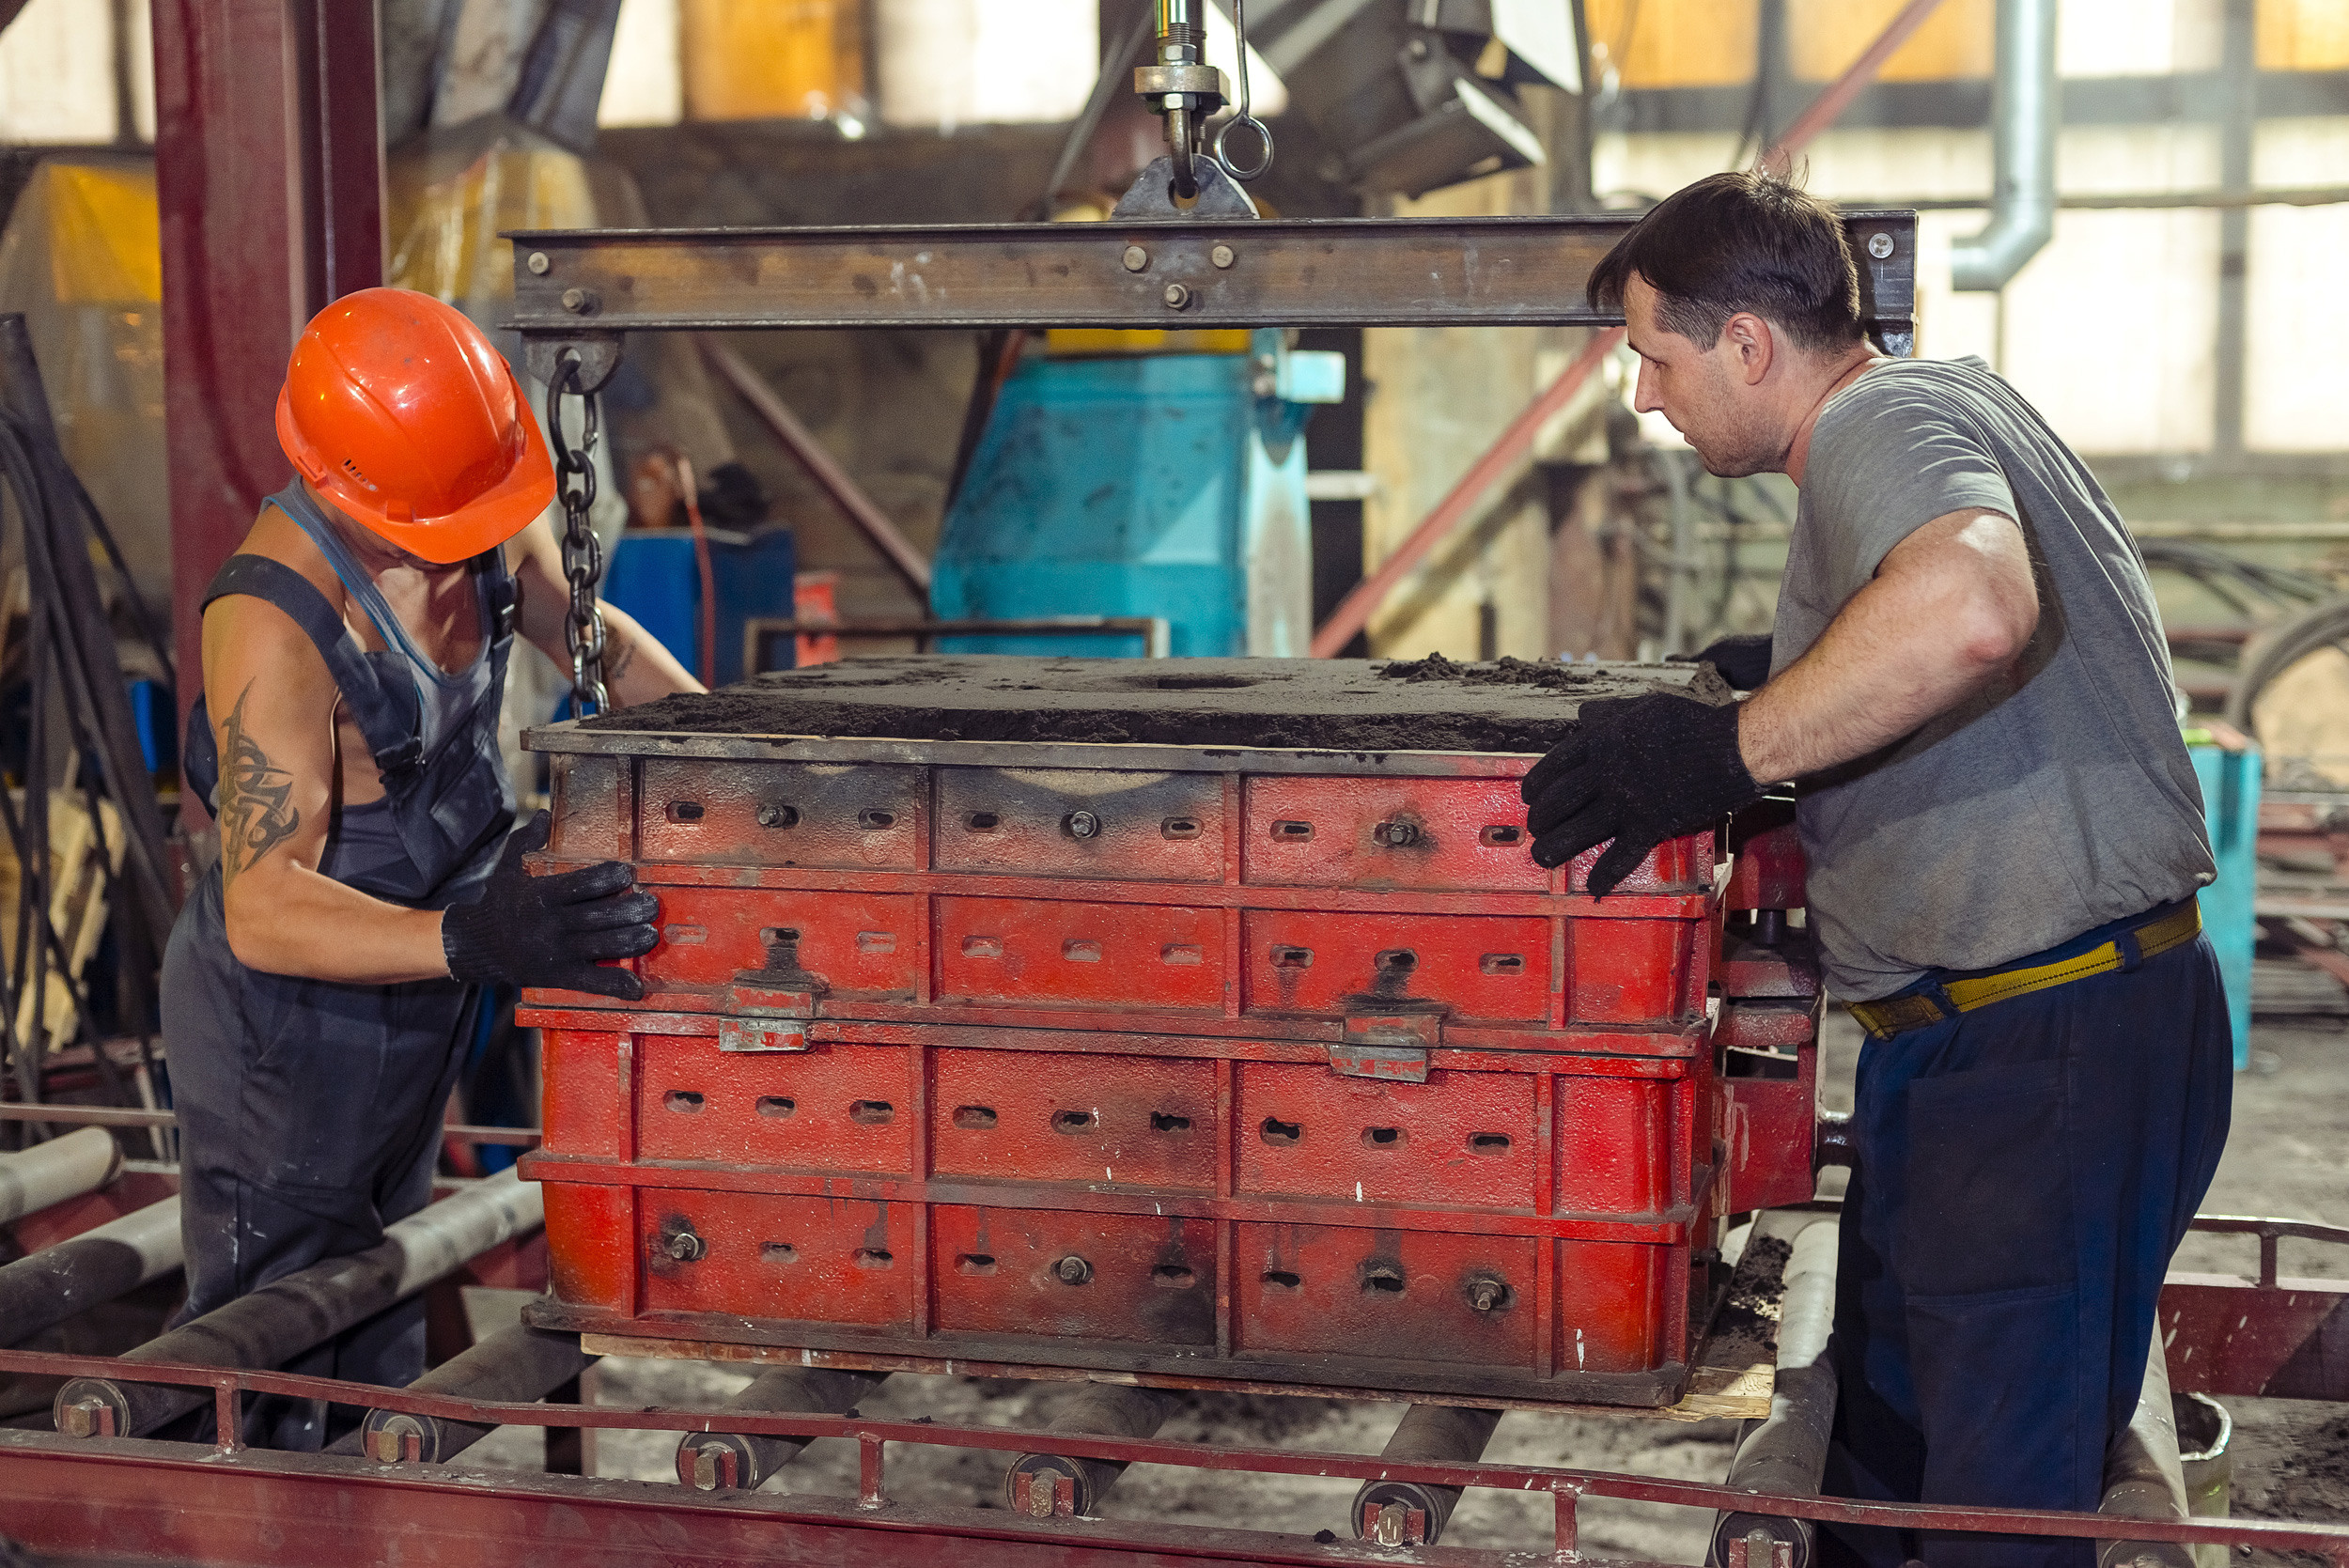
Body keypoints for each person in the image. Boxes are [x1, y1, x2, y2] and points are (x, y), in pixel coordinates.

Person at [1520, 172, 2232, 1568]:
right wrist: (1786, 673)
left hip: (2041, 1053)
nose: (1649, 401)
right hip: (1997, 1044)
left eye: (1657, 359)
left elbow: (1972, 607)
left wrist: (1733, 745)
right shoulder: (1950, 396)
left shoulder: (1879, 424)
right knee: (1889, 1469)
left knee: (1993, 1522)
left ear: (1746, 346)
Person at [163, 287, 701, 1447]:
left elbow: (588, 633)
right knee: (276, 1342)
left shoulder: (461, 496)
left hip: (421, 981)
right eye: (437, 528)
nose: (465, 552)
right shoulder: (274, 624)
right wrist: (473, 941)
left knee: (380, 1291)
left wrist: (731, 750)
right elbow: (262, 909)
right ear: (347, 480)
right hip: (291, 1025)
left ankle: (366, 1516)